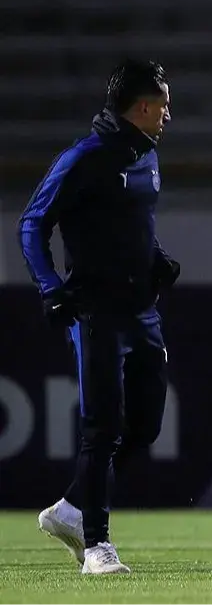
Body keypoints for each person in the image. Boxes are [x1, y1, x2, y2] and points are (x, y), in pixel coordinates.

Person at [19, 59, 180, 575]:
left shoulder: (146, 154)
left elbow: (132, 223)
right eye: (163, 105)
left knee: (147, 424)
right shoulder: (83, 158)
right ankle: (96, 547)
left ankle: (71, 507)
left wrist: (155, 258)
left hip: (142, 311)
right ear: (142, 107)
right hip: (95, 310)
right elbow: (32, 225)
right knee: (102, 425)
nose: (169, 114)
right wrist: (51, 288)